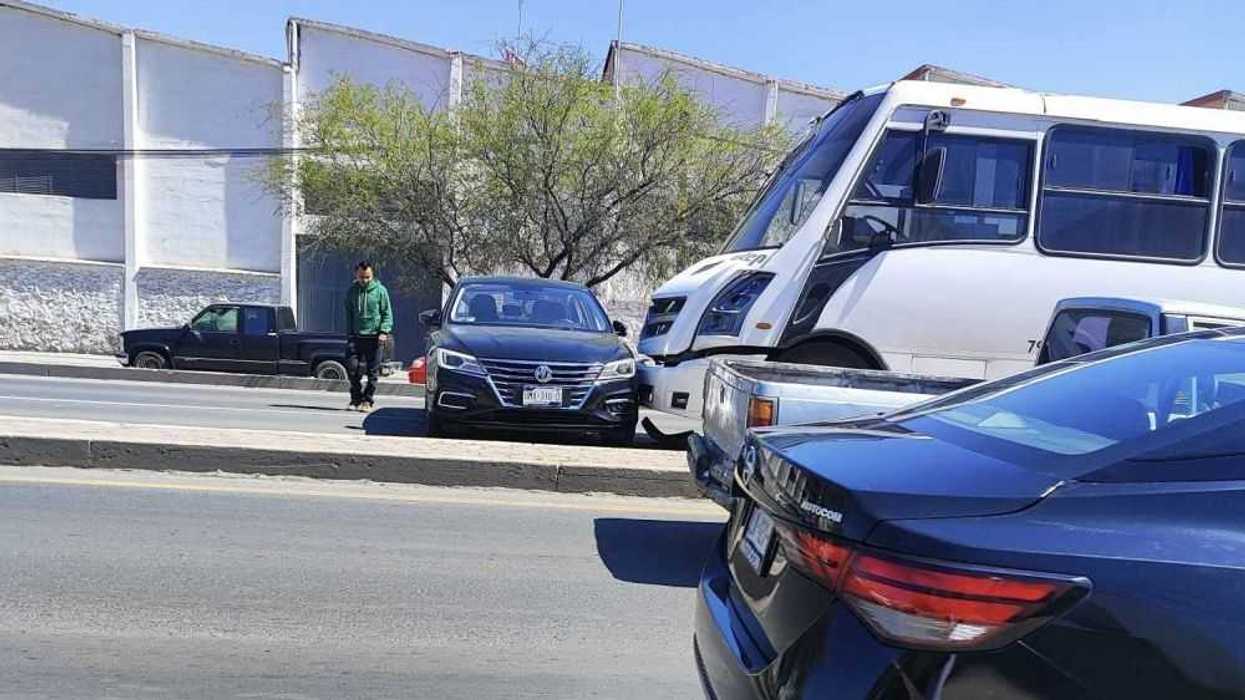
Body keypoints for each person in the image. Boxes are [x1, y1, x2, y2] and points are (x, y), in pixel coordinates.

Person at [343, 261, 393, 412]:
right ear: (356, 275)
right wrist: (350, 333)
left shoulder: (380, 291)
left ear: (372, 276)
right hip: (356, 337)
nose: (364, 280)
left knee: (372, 372)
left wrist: (384, 331)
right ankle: (355, 399)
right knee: (353, 370)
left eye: (367, 277)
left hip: (375, 338)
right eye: (361, 277)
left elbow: (387, 313)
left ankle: (367, 400)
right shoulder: (352, 291)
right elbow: (349, 314)